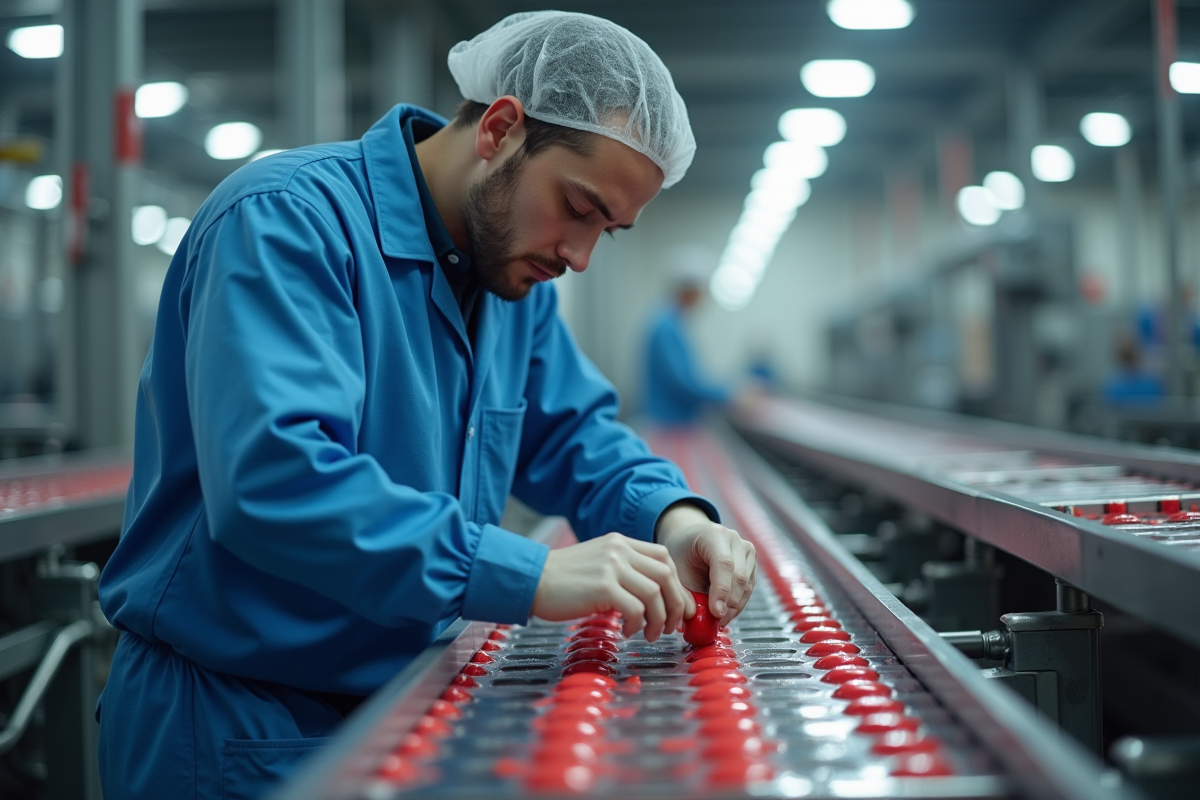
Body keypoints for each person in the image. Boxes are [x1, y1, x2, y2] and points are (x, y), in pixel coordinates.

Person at [96, 11, 757, 800]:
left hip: (398, 702)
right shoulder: (287, 221)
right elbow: (277, 480)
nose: (578, 256)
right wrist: (528, 572)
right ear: (502, 129)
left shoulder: (513, 280)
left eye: (607, 233)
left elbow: (575, 436)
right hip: (234, 719)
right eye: (579, 208)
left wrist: (673, 520)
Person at [642, 265, 734, 425]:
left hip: (674, 421)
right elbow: (683, 383)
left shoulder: (673, 323)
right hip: (669, 422)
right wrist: (730, 394)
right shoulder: (667, 327)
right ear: (690, 290)